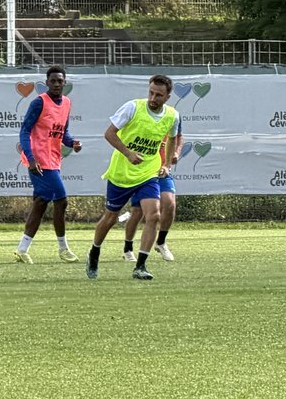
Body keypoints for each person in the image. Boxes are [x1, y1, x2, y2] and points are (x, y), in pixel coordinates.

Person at [84, 74, 179, 281]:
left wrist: (166, 164)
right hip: (122, 173)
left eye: (159, 95)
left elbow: (173, 138)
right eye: (151, 93)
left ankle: (140, 266)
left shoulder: (172, 115)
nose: (153, 98)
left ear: (168, 97)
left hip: (148, 173)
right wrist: (128, 153)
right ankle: (94, 251)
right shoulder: (133, 108)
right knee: (109, 218)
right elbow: (109, 133)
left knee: (153, 215)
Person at [13, 65, 82, 264]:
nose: (57, 84)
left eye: (60, 81)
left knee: (41, 204)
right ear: (47, 83)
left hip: (54, 160)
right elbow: (24, 131)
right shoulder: (39, 102)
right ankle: (63, 248)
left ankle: (22, 249)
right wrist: (31, 158)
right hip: (39, 161)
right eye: (53, 81)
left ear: (65, 83)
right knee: (61, 200)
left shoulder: (67, 103)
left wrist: (73, 143)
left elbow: (63, 133)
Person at [121, 129, 183, 262]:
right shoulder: (140, 115)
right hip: (143, 172)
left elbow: (178, 138)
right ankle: (128, 248)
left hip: (162, 170)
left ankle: (160, 242)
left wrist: (176, 153)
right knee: (137, 212)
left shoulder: (172, 116)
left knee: (170, 203)